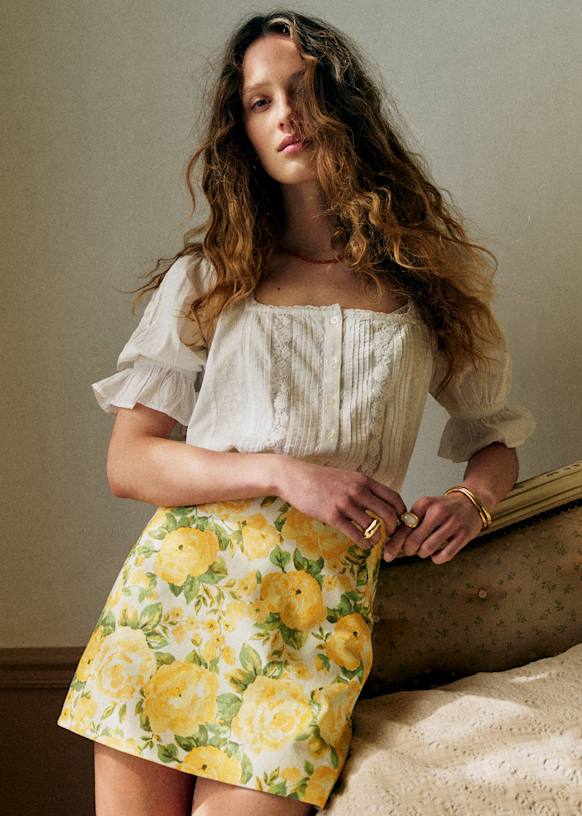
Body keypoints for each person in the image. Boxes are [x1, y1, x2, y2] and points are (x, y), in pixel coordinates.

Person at [56, 9, 536, 816]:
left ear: (344, 103)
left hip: (314, 623)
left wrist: (471, 499)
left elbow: (495, 437)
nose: (286, 115)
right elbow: (129, 461)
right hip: (173, 601)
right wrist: (283, 473)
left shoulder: (428, 283)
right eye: (260, 101)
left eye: (304, 89)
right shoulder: (211, 277)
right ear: (242, 130)